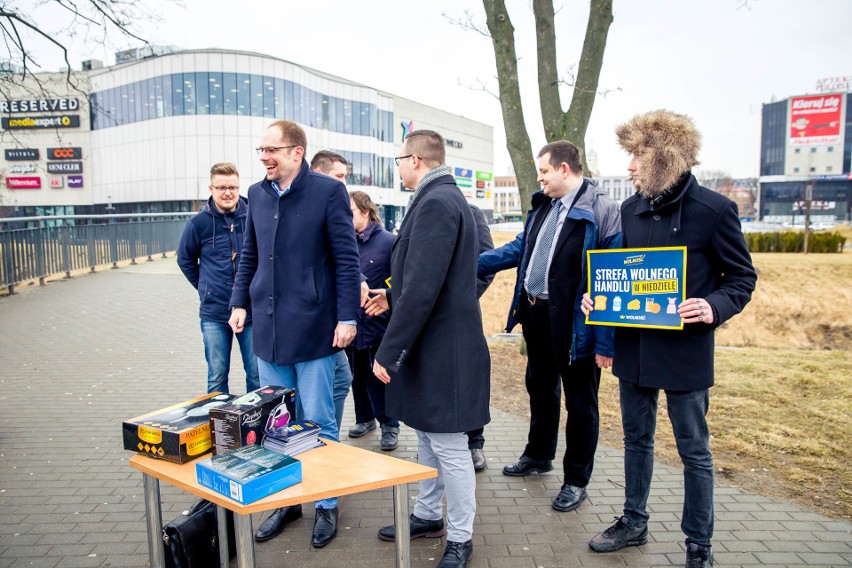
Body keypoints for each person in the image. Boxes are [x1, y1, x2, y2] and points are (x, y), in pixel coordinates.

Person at [585, 110, 757, 568]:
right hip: (634, 351)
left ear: (663, 157)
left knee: (693, 451)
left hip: (685, 353)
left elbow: (741, 278)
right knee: (636, 441)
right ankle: (633, 522)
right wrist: (598, 298)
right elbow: (625, 273)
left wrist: (713, 306)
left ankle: (698, 543)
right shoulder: (629, 209)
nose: (630, 167)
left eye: (636, 156)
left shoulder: (715, 210)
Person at [229, 121, 360, 549]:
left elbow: (345, 259)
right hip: (268, 332)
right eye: (261, 150)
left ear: (297, 152)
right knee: (276, 424)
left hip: (314, 329)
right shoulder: (259, 194)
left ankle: (326, 503)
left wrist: (347, 318)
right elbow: (249, 254)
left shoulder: (327, 192)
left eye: (273, 150)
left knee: (320, 421)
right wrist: (239, 303)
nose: (265, 157)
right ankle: (287, 503)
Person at [367, 130, 489, 568]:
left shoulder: (437, 202)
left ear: (415, 159)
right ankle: (425, 515)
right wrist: (391, 297)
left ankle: (459, 537)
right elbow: (421, 278)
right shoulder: (439, 196)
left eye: (399, 159)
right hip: (434, 344)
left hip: (441, 348)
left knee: (449, 444)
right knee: (426, 433)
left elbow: (423, 288)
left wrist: (388, 351)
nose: (397, 167)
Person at [478, 140, 621, 513]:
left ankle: (576, 480)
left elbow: (612, 277)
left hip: (575, 322)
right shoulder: (544, 207)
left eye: (543, 170)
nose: (538, 177)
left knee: (580, 402)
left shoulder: (601, 211)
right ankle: (539, 456)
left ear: (563, 169)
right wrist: (472, 263)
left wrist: (605, 341)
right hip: (535, 313)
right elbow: (520, 250)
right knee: (540, 388)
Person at [177, 162, 260, 395]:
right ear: (211, 188)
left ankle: (255, 427)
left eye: (233, 187)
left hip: (251, 309)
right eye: (221, 187)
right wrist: (205, 287)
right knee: (217, 375)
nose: (228, 193)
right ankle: (220, 429)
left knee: (256, 373)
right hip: (215, 310)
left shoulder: (254, 216)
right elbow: (185, 260)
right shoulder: (198, 223)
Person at [345, 190, 399, 450]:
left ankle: (390, 424)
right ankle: (364, 418)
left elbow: (400, 281)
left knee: (381, 377)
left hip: (380, 325)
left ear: (365, 212)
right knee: (357, 376)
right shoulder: (343, 241)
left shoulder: (389, 242)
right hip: (352, 325)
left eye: (350, 212)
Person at [309, 150, 356, 432]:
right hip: (313, 319)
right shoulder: (311, 208)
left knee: (341, 377)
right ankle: (323, 436)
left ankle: (328, 435)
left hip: (326, 315)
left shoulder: (329, 203)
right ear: (319, 173)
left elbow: (342, 256)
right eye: (339, 177)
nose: (343, 184)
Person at [466, 204, 494, 470]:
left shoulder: (473, 213)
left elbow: (488, 261)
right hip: (428, 314)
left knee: (471, 377)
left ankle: (475, 442)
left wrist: (463, 298)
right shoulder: (418, 210)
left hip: (464, 314)